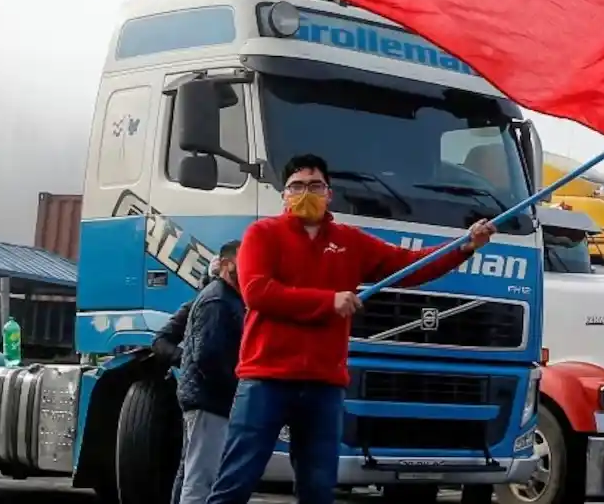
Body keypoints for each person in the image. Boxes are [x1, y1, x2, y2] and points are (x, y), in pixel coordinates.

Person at [204, 154, 497, 504]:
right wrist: (328, 302)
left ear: (329, 193)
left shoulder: (350, 241)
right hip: (266, 378)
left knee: (318, 485)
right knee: (237, 477)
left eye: (314, 186)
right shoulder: (262, 235)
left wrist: (464, 246)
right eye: (296, 186)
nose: (305, 193)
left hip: (323, 384)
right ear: (283, 195)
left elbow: (408, 266)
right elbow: (258, 292)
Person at [177, 240, 245, 504]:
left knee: (203, 475)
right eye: (244, 260)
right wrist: (236, 387)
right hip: (209, 401)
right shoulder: (217, 299)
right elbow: (208, 356)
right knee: (200, 480)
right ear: (226, 264)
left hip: (212, 400)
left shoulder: (227, 297)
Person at [154, 259, 217, 504]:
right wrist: (186, 358)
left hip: (202, 394)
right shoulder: (201, 304)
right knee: (193, 468)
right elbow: (160, 341)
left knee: (190, 465)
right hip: (201, 396)